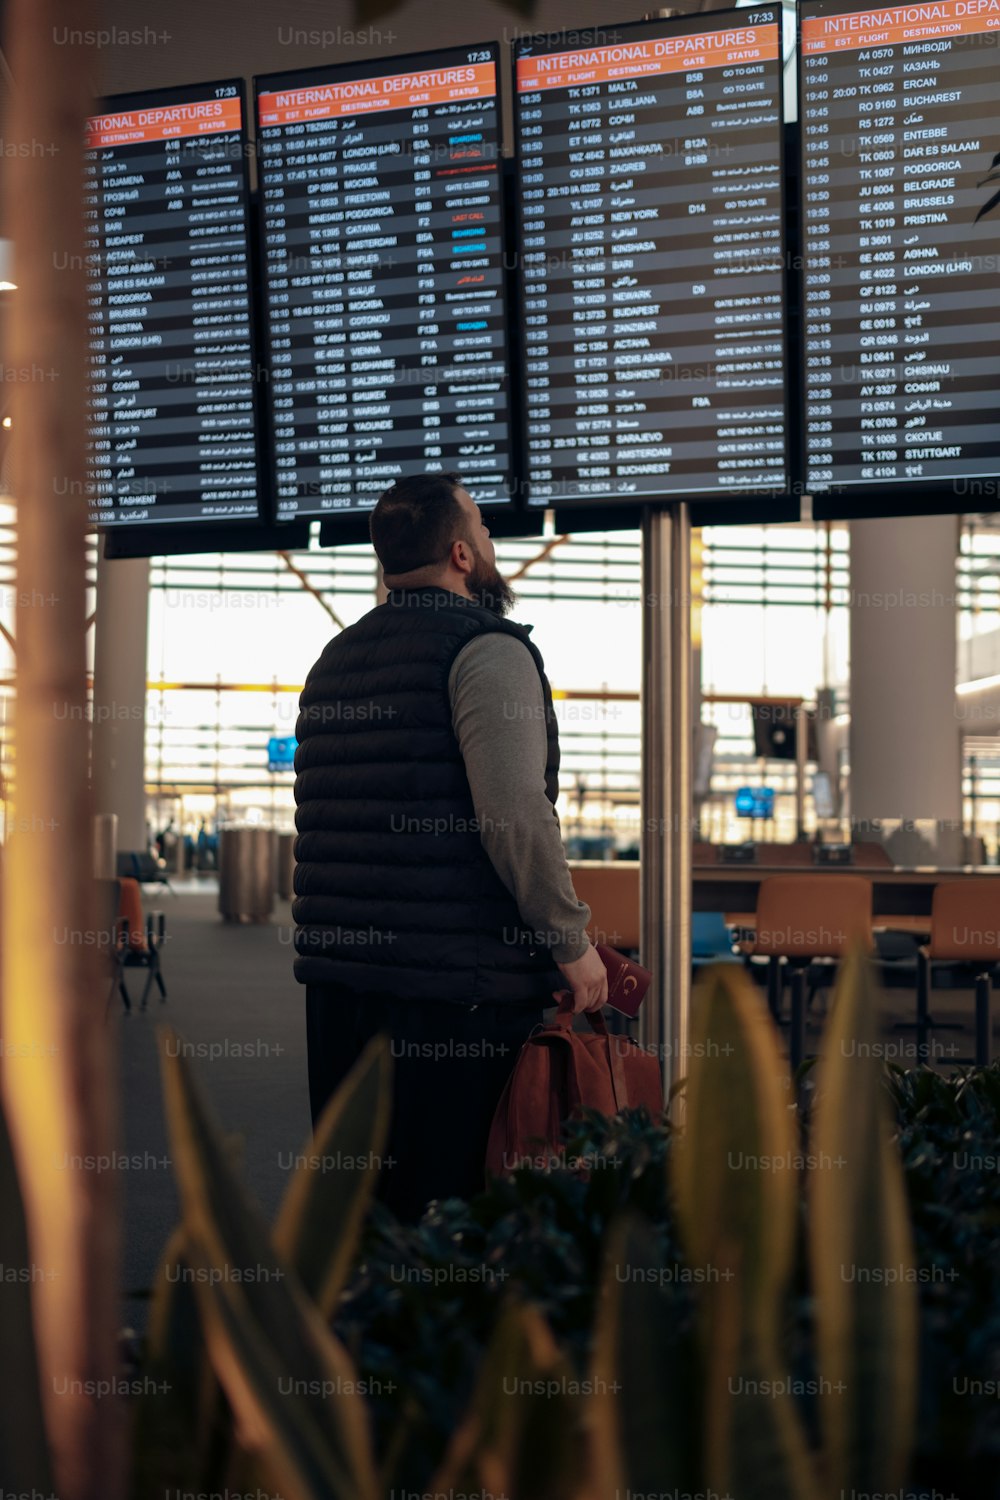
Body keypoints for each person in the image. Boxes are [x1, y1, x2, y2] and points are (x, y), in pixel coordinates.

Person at [292, 472, 607, 1220]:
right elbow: (513, 813)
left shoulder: (333, 661)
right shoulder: (485, 650)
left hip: (341, 990)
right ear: (463, 555)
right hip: (453, 993)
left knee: (362, 1210)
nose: (493, 543)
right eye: (486, 530)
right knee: (454, 1217)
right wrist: (570, 941)